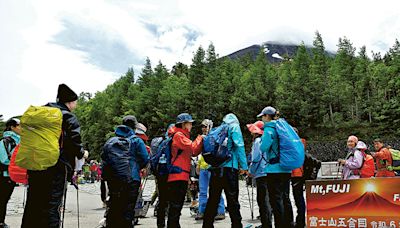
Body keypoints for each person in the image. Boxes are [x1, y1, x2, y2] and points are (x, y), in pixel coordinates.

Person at [21, 83, 89, 228]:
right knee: (52, 205)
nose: (76, 105)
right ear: (70, 102)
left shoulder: (42, 115)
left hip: (35, 164)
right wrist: (83, 153)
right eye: (75, 102)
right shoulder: (68, 116)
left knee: (33, 202)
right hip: (57, 167)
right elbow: (74, 141)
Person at [203, 113, 248, 228]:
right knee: (232, 199)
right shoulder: (234, 127)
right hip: (229, 168)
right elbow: (239, 146)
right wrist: (244, 166)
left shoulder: (218, 129)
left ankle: (207, 225)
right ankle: (236, 224)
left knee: (213, 199)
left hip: (216, 168)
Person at [103, 115, 149, 228]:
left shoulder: (110, 141)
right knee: (128, 211)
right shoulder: (136, 140)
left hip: (114, 181)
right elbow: (145, 159)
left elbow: (104, 159)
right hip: (131, 179)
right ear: (134, 127)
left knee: (115, 208)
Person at [166, 113, 203, 228]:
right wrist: (200, 137)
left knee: (176, 205)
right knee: (176, 205)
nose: (191, 125)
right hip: (178, 175)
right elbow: (193, 147)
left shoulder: (179, 135)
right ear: (183, 124)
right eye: (190, 123)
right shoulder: (179, 136)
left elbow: (193, 152)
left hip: (178, 175)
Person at [258, 106, 293, 228]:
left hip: (274, 169)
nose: (262, 119)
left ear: (267, 116)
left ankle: (279, 224)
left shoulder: (269, 130)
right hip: (286, 168)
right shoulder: (282, 127)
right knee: (285, 197)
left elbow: (263, 147)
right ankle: (288, 224)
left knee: (276, 199)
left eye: (262, 116)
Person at [195, 119, 225, 221]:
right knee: (202, 191)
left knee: (216, 190)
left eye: (205, 126)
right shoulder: (202, 138)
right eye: (202, 126)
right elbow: (201, 153)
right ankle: (202, 211)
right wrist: (198, 165)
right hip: (203, 167)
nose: (204, 128)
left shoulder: (214, 137)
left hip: (213, 167)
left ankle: (220, 211)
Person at [247, 120, 273, 228]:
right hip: (270, 172)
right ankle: (267, 223)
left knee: (262, 200)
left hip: (261, 174)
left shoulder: (258, 141)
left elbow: (256, 158)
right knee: (268, 199)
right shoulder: (267, 140)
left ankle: (266, 224)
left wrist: (250, 171)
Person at [0, 118, 21, 228]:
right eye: (19, 125)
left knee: (4, 199)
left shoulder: (18, 140)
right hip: (5, 175)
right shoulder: (6, 141)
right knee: (2, 199)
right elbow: (3, 159)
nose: (21, 128)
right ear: (12, 127)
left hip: (11, 175)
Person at [291, 128, 307, 228]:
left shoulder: (296, 143)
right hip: (298, 174)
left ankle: (300, 221)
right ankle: (300, 220)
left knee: (298, 199)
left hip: (296, 174)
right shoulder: (301, 143)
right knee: (299, 198)